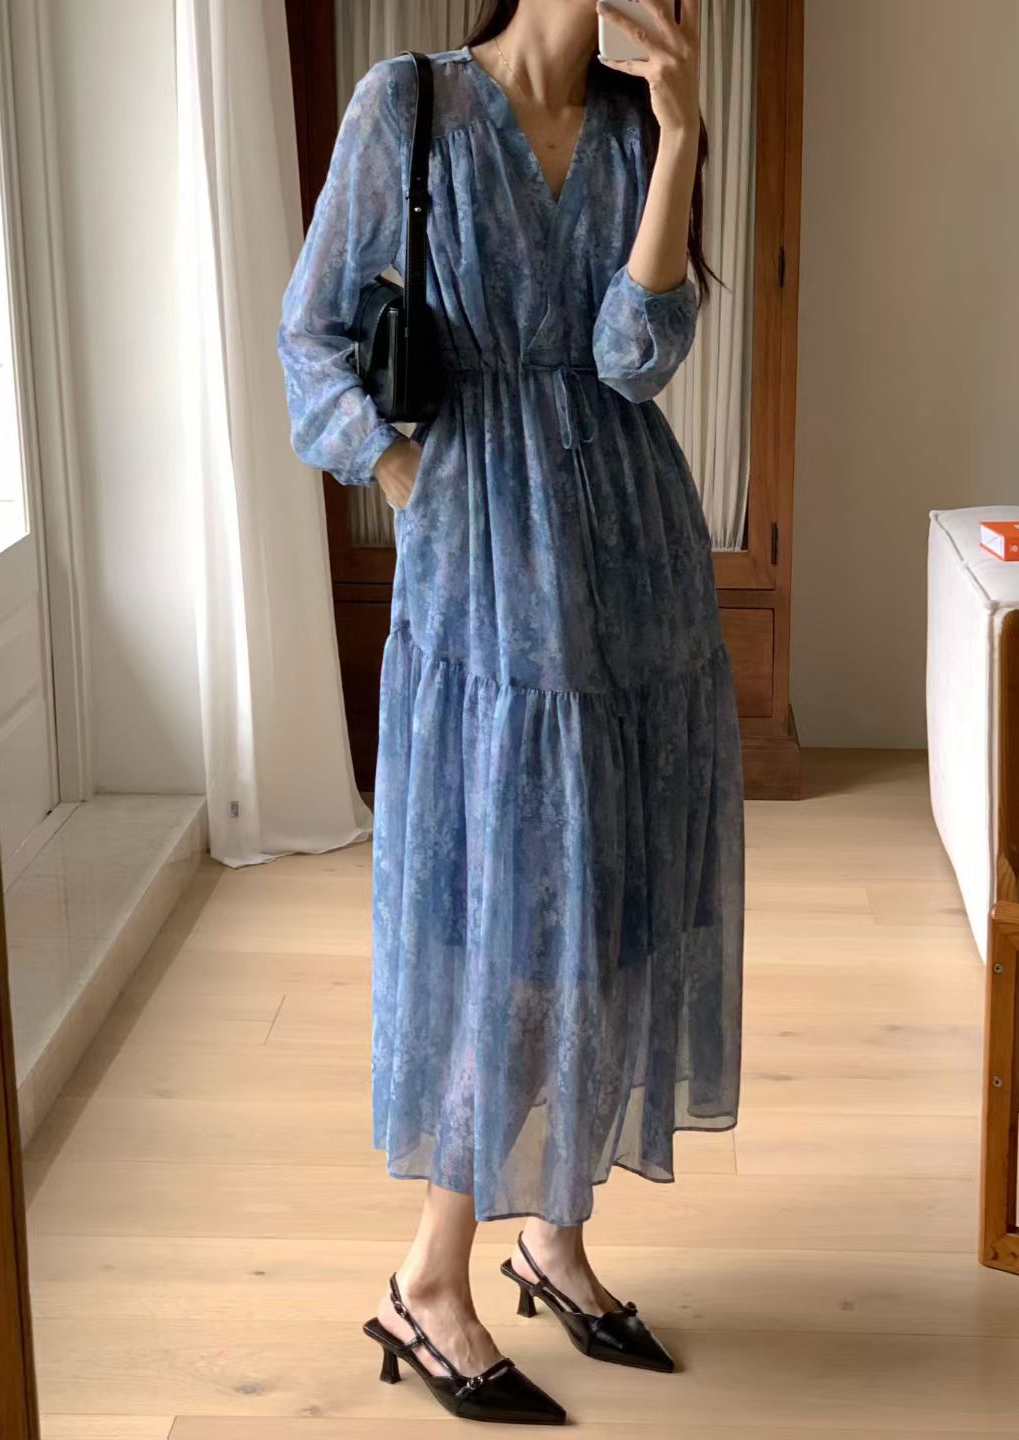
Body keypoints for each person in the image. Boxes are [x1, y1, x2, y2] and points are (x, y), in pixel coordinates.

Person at [277, 0, 744, 1424]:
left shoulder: (635, 126)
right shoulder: (407, 106)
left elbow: (633, 358)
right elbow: (311, 338)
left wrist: (680, 138)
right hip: (484, 575)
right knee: (512, 921)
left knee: (615, 909)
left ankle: (555, 1235)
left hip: (635, 569)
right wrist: (407, 482)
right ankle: (429, 1276)